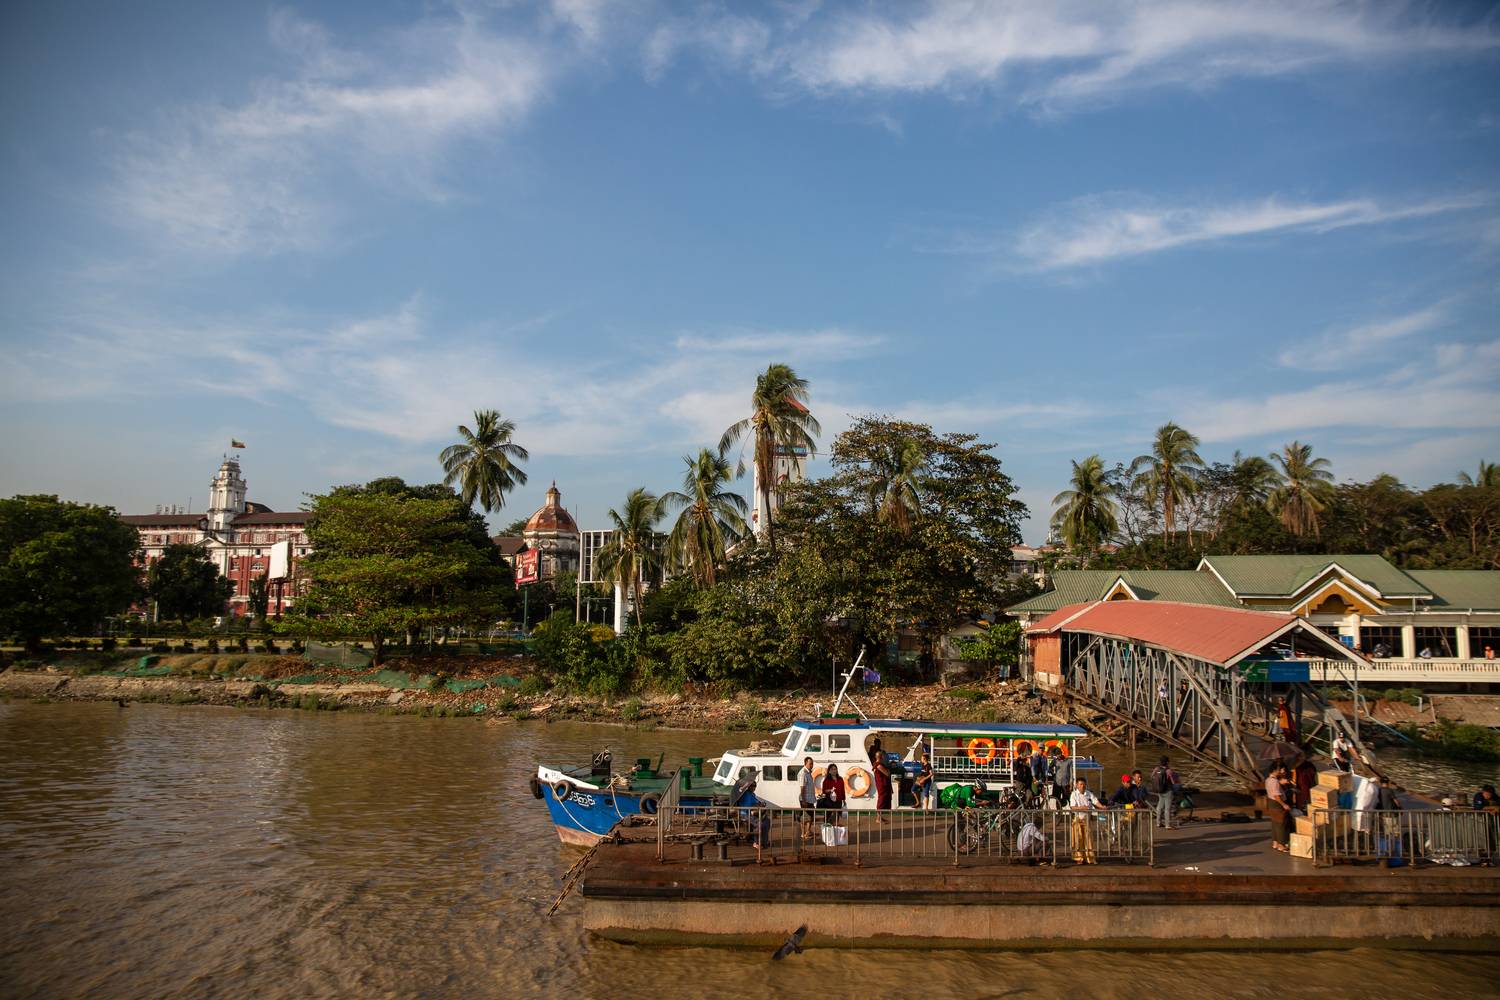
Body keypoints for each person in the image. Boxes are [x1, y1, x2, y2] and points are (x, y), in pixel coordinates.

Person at [1068, 777, 1104, 864]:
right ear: (1077, 785)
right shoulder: (1074, 794)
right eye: (1080, 784)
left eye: (1084, 784)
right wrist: (1082, 808)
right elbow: (1073, 807)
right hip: (1078, 819)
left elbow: (1095, 801)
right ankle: (1079, 858)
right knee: (1078, 839)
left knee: (1088, 840)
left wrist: (1102, 807)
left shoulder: (1088, 793)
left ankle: (1090, 858)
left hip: (1087, 819)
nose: (1082, 786)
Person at [1265, 765, 1292, 853]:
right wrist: (1284, 804)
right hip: (1277, 804)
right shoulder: (1275, 781)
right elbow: (1276, 795)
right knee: (1281, 824)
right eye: (1278, 770)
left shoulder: (1268, 780)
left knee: (1275, 823)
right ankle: (1281, 845)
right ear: (1274, 771)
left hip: (1271, 803)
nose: (1279, 772)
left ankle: (1275, 843)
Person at [1150, 756, 1179, 829]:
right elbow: (1173, 782)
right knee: (1167, 808)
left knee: (1159, 807)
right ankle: (1167, 825)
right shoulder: (1168, 770)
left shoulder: (1156, 769)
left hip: (1160, 791)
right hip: (1168, 791)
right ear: (1167, 762)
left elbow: (1151, 777)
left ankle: (1158, 823)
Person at [868, 738, 892, 821]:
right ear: (881, 757)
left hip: (882, 784)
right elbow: (887, 773)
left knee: (883, 800)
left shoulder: (877, 764)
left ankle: (880, 817)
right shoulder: (878, 765)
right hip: (882, 785)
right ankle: (878, 818)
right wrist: (888, 770)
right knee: (881, 800)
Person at [797, 756, 817, 841]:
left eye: (812, 763)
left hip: (810, 799)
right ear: (805, 763)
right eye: (810, 764)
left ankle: (808, 831)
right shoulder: (803, 773)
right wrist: (804, 800)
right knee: (805, 817)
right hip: (805, 799)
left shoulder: (808, 772)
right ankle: (804, 833)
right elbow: (802, 788)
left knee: (810, 816)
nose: (812, 765)